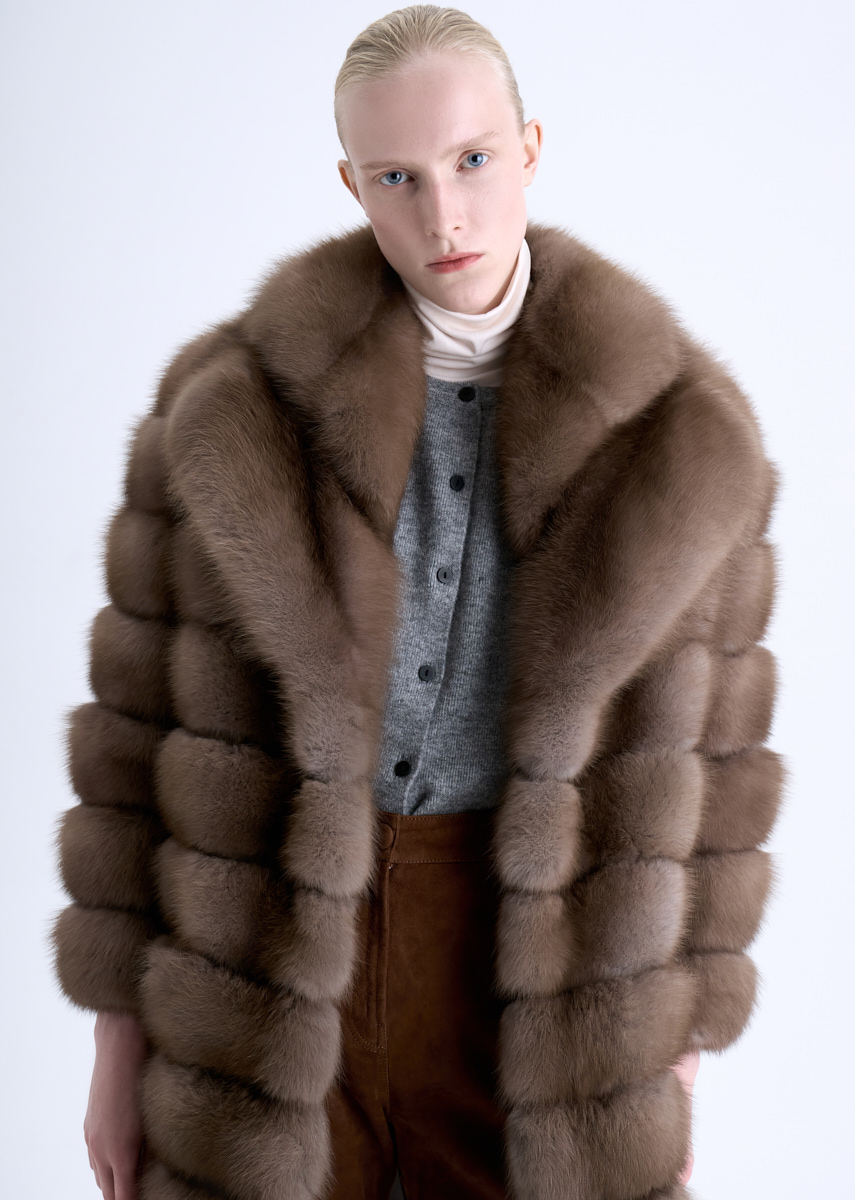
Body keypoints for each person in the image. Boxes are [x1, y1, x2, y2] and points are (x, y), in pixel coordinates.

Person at [53, 6, 784, 1200]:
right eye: (397, 176)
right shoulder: (230, 412)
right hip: (262, 979)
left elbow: (722, 778)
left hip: (540, 994)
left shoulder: (680, 442)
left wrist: (671, 1066)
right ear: (352, 184)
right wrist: (116, 1047)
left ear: (531, 149)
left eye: (472, 160)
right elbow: (132, 753)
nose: (443, 215)